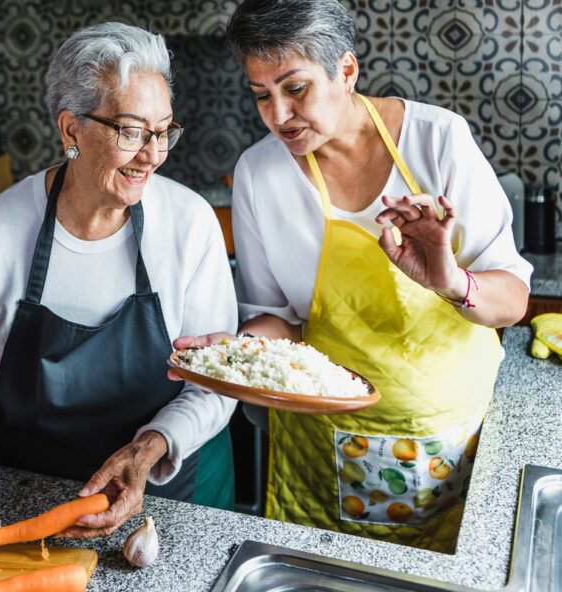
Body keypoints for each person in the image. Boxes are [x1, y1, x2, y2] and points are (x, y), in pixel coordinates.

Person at [175, 0, 532, 553]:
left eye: (295, 89)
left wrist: (451, 281)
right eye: (261, 95)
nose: (278, 116)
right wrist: (237, 353)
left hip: (446, 440)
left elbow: (512, 300)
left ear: (346, 71)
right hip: (320, 446)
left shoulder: (437, 141)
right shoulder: (259, 174)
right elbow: (281, 322)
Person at [0, 22, 238, 538]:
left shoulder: (190, 223)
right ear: (72, 130)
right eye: (132, 132)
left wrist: (150, 447)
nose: (153, 154)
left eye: (163, 132)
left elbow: (216, 383)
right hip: (30, 507)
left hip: (170, 505)